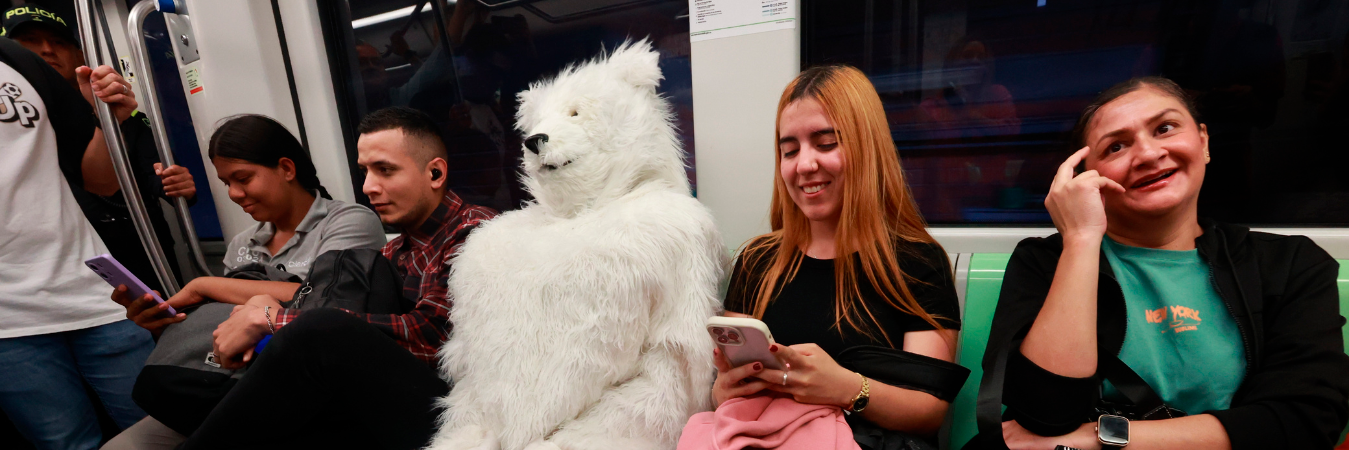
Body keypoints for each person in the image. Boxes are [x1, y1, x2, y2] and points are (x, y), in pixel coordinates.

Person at [979, 77, 1349, 449]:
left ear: (1203, 141)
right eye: (1116, 147)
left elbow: (1304, 422)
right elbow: (1043, 415)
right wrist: (1081, 239)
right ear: (1088, 177)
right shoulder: (1046, 261)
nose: (1149, 154)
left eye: (1165, 128)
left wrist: (1097, 439)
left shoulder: (1289, 264)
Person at [157, 107, 496, 450]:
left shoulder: (476, 233)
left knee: (318, 330)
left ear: (435, 173)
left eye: (385, 171)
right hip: (401, 397)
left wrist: (274, 319)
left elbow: (431, 338)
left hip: (460, 407)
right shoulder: (393, 254)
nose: (368, 187)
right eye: (364, 172)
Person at [713, 65, 963, 447]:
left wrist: (846, 387)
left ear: (866, 147)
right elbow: (725, 393)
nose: (804, 165)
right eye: (789, 151)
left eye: (826, 143)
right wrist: (724, 392)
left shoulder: (917, 262)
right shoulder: (757, 260)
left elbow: (928, 413)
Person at [103, 114, 386, 449]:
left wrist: (202, 286)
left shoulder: (348, 222)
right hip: (232, 380)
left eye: (243, 178)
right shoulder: (242, 244)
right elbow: (229, 324)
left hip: (310, 386)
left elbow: (324, 301)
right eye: (226, 183)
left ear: (286, 168)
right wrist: (163, 321)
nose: (234, 193)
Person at [0, 34, 156, 449]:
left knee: (167, 428)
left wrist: (110, 122)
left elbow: (99, 181)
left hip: (97, 293)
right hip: (7, 322)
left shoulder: (13, 60)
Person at [2, 5, 198, 293]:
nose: (47, 50)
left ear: (79, 55)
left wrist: (179, 185)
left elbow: (159, 172)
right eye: (30, 40)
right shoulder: (16, 120)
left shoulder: (118, 112)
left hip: (141, 255)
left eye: (59, 42)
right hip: (47, 272)